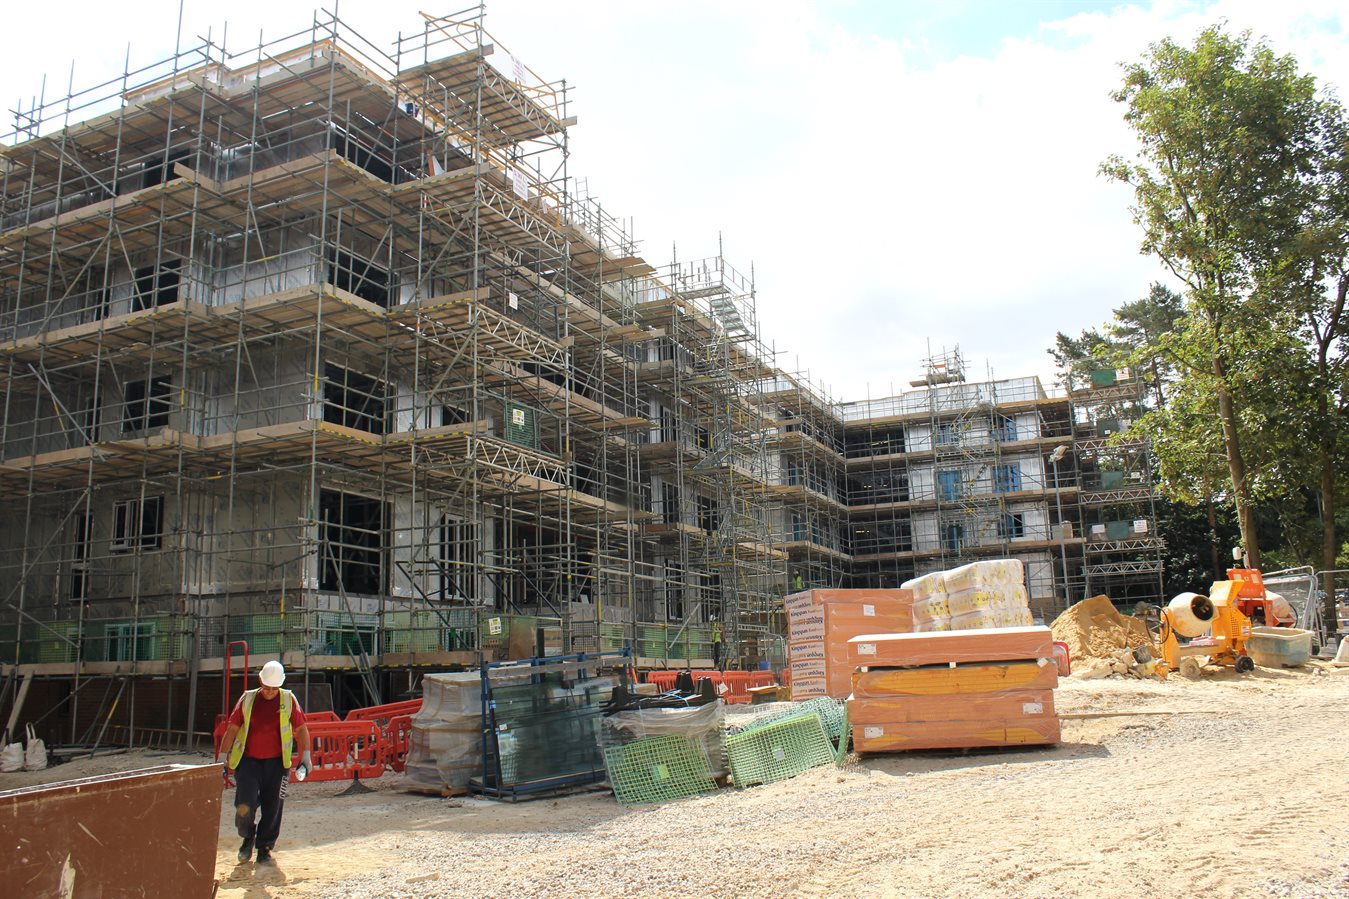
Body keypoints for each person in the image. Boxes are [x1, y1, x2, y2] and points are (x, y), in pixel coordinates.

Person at [219, 660, 312, 864]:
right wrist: (221, 758)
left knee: (274, 807)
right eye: (266, 687)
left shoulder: (288, 700)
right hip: (248, 763)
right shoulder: (248, 698)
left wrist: (306, 755)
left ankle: (265, 848)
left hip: (278, 765)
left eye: (274, 688)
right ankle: (247, 838)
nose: (269, 692)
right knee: (245, 805)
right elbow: (233, 728)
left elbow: (301, 728)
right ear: (260, 680)